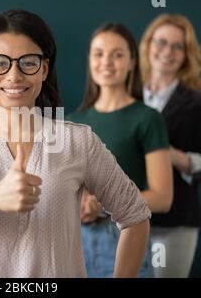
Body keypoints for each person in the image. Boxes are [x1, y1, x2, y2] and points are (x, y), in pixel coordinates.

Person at [0, 10, 151, 278]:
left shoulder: (78, 142)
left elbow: (135, 216)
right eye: (0, 62)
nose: (14, 75)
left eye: (28, 62)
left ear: (44, 69)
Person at [67, 23, 173, 277]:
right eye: (99, 53)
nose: (107, 62)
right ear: (90, 59)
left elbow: (162, 197)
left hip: (123, 237)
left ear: (132, 62)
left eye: (117, 54)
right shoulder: (72, 122)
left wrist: (102, 205)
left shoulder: (147, 118)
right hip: (74, 243)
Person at [139, 13, 201, 277]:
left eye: (178, 46)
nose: (168, 52)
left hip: (175, 222)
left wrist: (177, 157)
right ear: (148, 44)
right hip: (126, 217)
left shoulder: (199, 103)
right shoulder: (126, 95)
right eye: (161, 42)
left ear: (187, 54)